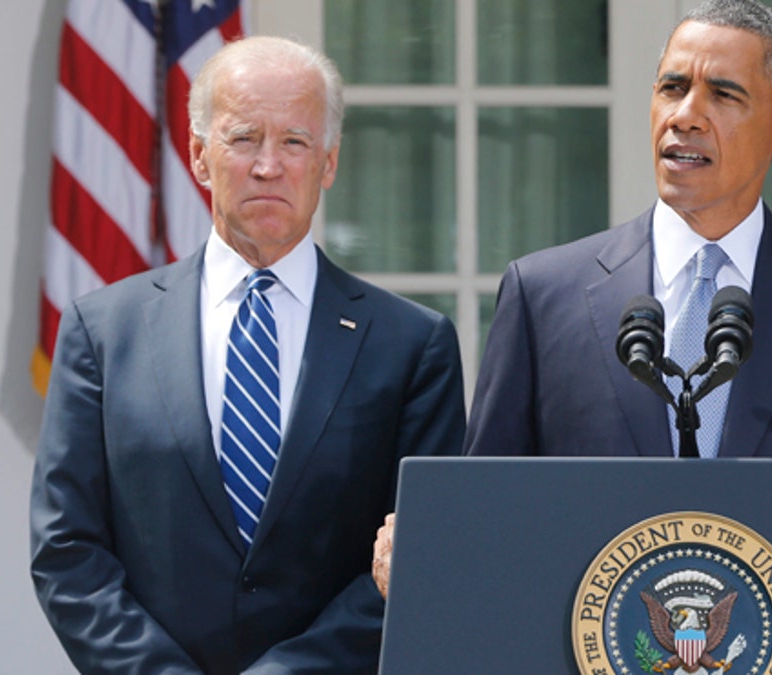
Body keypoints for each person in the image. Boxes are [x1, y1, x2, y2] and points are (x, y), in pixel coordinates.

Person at [372, 0, 772, 598]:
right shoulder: (543, 295)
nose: (686, 115)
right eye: (672, 88)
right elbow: (487, 515)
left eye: (723, 95)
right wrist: (428, 559)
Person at [30, 36, 465, 673]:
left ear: (330, 162)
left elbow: (426, 549)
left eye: (294, 141)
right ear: (200, 158)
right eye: (243, 139)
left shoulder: (412, 346)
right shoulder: (102, 332)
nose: (269, 165)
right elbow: (67, 548)